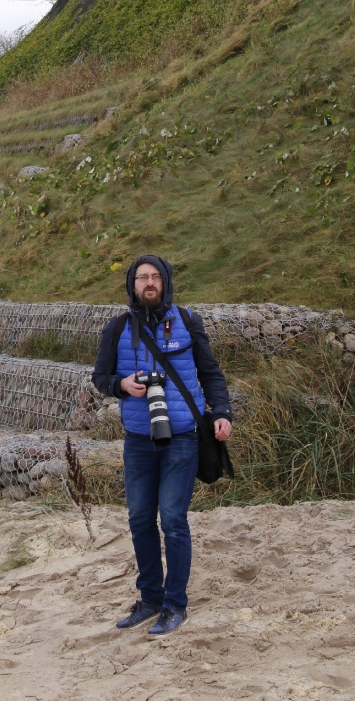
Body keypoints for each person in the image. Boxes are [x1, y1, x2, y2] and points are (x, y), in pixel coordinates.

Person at [92, 254, 233, 637]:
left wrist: (221, 412)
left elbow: (210, 373)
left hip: (183, 439)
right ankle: (150, 599)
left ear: (165, 282)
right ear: (132, 285)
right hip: (138, 441)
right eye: (142, 278)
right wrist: (122, 385)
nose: (149, 283)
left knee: (172, 521)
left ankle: (175, 605)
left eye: (155, 277)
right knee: (140, 521)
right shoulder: (117, 327)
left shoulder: (188, 322)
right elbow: (99, 377)